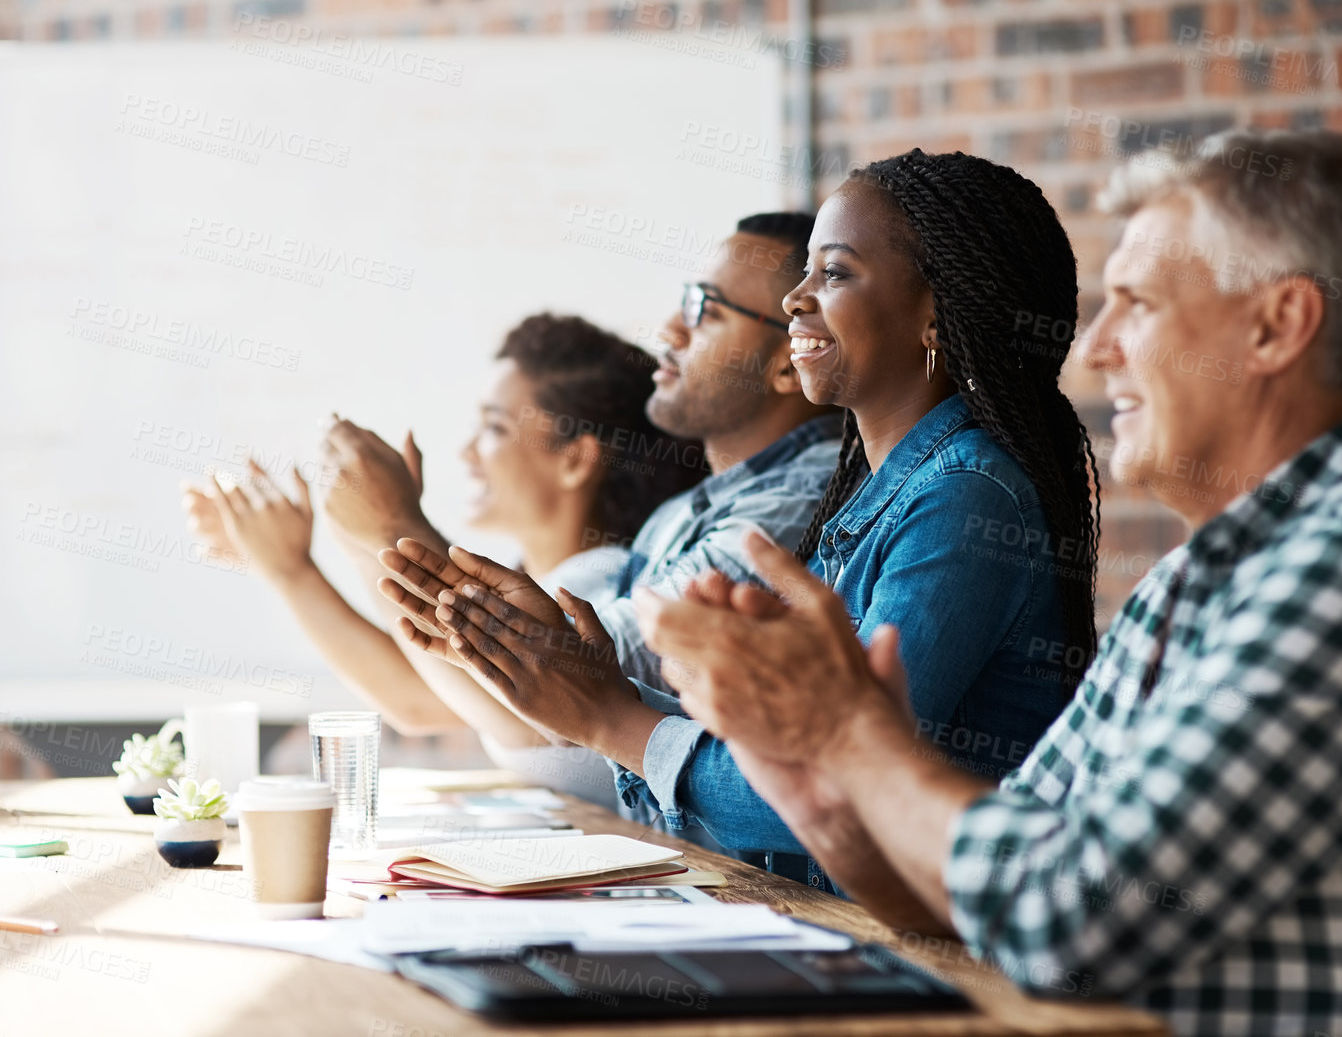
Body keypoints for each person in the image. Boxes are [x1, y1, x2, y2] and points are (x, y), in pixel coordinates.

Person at [637, 131, 1342, 1035]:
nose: (1095, 348)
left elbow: (1065, 915)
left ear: (1275, 325)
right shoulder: (1194, 584)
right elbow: (974, 883)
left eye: (1136, 304)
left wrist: (847, 734)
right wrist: (807, 777)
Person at [376, 153, 1101, 890]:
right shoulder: (880, 491)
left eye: (835, 272)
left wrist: (610, 717)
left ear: (933, 316)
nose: (795, 299)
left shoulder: (963, 496)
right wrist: (588, 683)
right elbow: (794, 755)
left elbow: (828, 789)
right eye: (805, 272)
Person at [182, 313, 701, 805]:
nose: (467, 453)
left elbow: (416, 698)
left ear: (574, 459)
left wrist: (323, 553)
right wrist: (351, 532)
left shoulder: (595, 583)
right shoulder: (545, 578)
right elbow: (426, 679)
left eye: (494, 428)